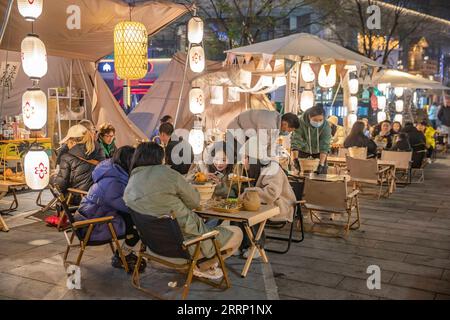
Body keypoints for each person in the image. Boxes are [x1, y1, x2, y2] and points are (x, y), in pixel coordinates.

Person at [123, 142, 243, 279]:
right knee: (237, 233)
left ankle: (198, 266)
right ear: (160, 158)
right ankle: (199, 267)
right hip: (186, 247)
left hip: (154, 248)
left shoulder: (131, 182)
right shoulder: (169, 174)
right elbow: (195, 202)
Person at [76, 146, 145, 272]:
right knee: (138, 226)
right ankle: (122, 256)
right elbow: (129, 207)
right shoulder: (114, 182)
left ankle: (123, 255)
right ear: (129, 162)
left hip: (91, 217)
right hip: (92, 227)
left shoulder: (111, 172)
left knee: (134, 220)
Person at [291, 105, 331, 173]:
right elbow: (296, 141)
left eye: (320, 120)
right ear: (309, 117)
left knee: (321, 176)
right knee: (302, 176)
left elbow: (325, 145)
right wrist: (295, 159)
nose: (318, 122)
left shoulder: (326, 126)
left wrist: (321, 164)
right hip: (303, 151)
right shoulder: (300, 123)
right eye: (315, 120)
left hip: (320, 153)